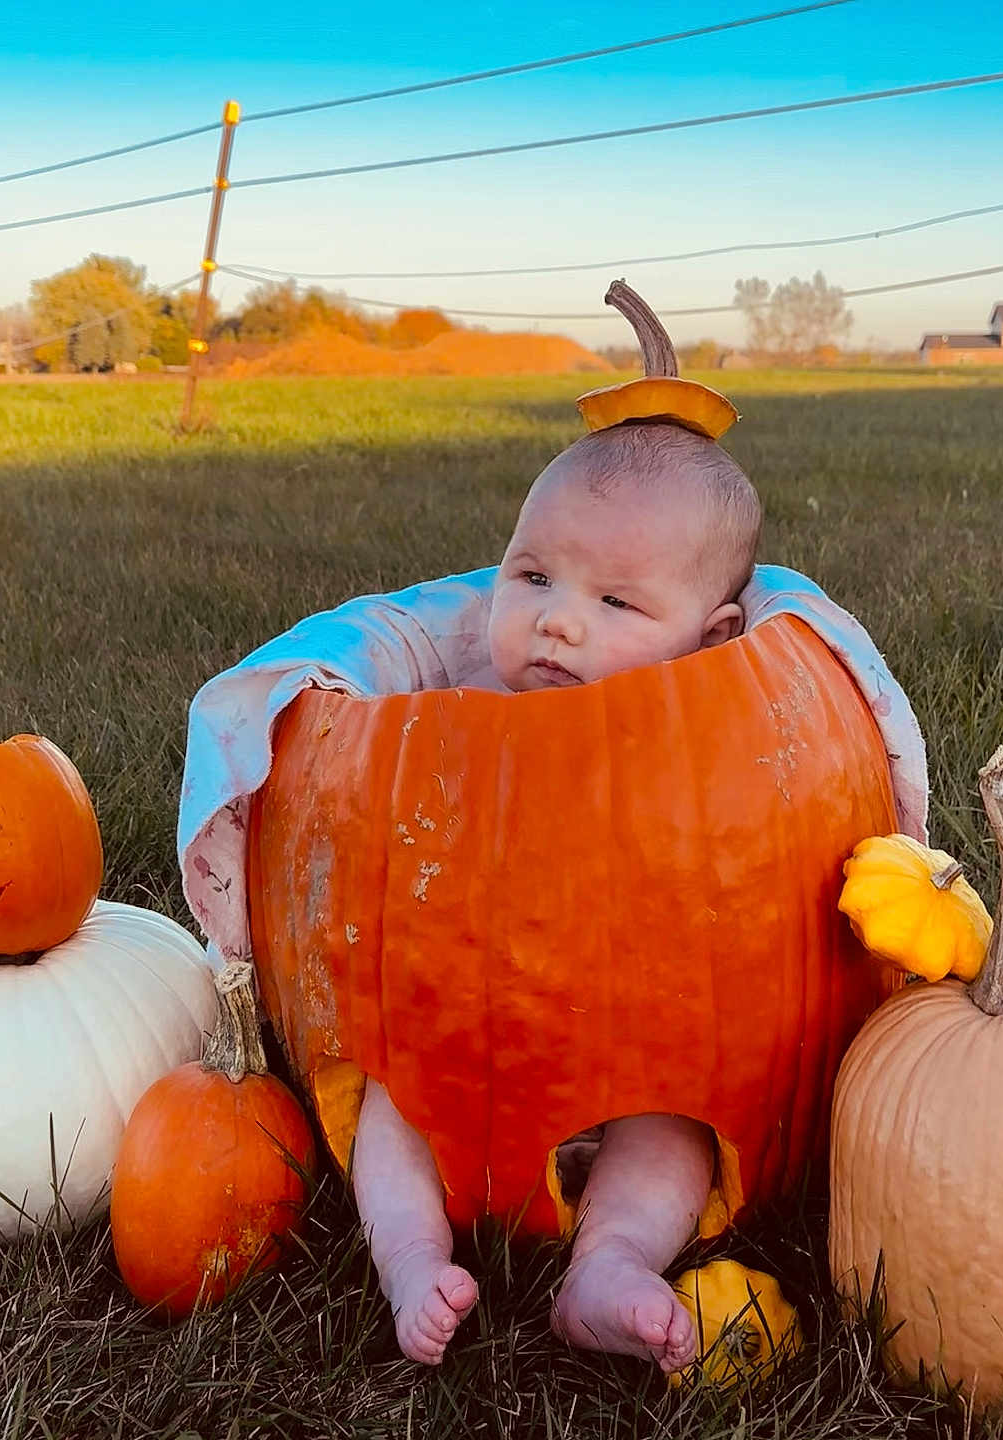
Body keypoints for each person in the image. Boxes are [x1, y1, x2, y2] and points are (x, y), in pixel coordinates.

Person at [350, 419, 764, 1370]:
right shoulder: (451, 724)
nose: (559, 620)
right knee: (388, 1096)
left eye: (616, 600)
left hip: (628, 1067)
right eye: (534, 577)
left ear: (710, 644)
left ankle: (608, 1263)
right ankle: (410, 1256)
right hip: (463, 1053)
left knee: (677, 1130)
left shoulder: (716, 770)